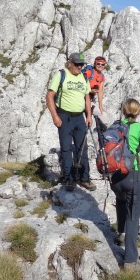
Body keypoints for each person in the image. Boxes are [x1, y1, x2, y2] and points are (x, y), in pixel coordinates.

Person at [110, 98, 140, 270]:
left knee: (121, 201)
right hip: (133, 176)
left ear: (123, 111)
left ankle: (121, 233)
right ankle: (130, 261)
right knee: (133, 217)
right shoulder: (138, 128)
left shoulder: (115, 126)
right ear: (139, 112)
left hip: (116, 177)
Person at [45, 53, 96, 192]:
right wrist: (55, 116)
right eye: (77, 64)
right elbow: (49, 96)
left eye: (82, 64)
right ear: (70, 63)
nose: (80, 67)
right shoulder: (61, 75)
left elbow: (87, 97)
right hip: (64, 117)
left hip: (79, 118)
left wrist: (89, 116)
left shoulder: (84, 77)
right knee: (66, 149)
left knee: (82, 148)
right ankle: (68, 179)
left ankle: (84, 178)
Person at [83, 56, 109, 128]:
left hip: (90, 100)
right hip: (83, 98)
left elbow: (100, 91)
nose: (100, 66)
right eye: (98, 64)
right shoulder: (88, 73)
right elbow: (82, 87)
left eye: (102, 64)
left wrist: (100, 106)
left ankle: (101, 134)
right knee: (101, 115)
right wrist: (91, 91)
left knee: (103, 114)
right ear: (95, 64)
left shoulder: (102, 77)